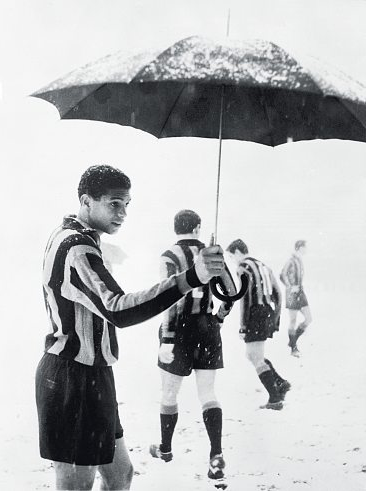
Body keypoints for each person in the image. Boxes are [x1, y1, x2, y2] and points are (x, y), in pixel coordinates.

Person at [35, 166, 225, 491]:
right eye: (114, 204)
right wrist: (191, 278)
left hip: (93, 375)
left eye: (127, 204)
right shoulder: (76, 247)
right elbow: (117, 309)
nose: (123, 213)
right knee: (76, 487)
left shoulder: (79, 238)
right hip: (72, 377)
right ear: (86, 201)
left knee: (120, 475)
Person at [149, 210, 233, 484]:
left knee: (170, 392)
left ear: (176, 228)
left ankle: (166, 447)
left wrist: (168, 338)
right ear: (198, 227)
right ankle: (216, 454)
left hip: (179, 328)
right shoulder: (212, 253)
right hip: (207, 326)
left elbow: (168, 299)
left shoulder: (168, 256)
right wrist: (219, 316)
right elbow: (231, 293)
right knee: (208, 392)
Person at [226, 239, 291, 410]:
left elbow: (245, 298)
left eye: (232, 256)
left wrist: (242, 326)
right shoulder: (263, 265)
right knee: (253, 355)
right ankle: (280, 383)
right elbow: (278, 292)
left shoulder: (243, 268)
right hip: (268, 312)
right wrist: (276, 317)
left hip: (255, 314)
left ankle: (275, 398)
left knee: (255, 356)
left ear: (238, 252)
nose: (233, 261)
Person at [280, 240, 312, 357]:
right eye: (305, 247)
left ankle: (292, 340)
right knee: (292, 321)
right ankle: (293, 348)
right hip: (292, 294)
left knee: (308, 318)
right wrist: (290, 286)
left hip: (300, 292)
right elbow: (282, 275)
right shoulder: (291, 260)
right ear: (299, 248)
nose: (306, 250)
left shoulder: (299, 260)